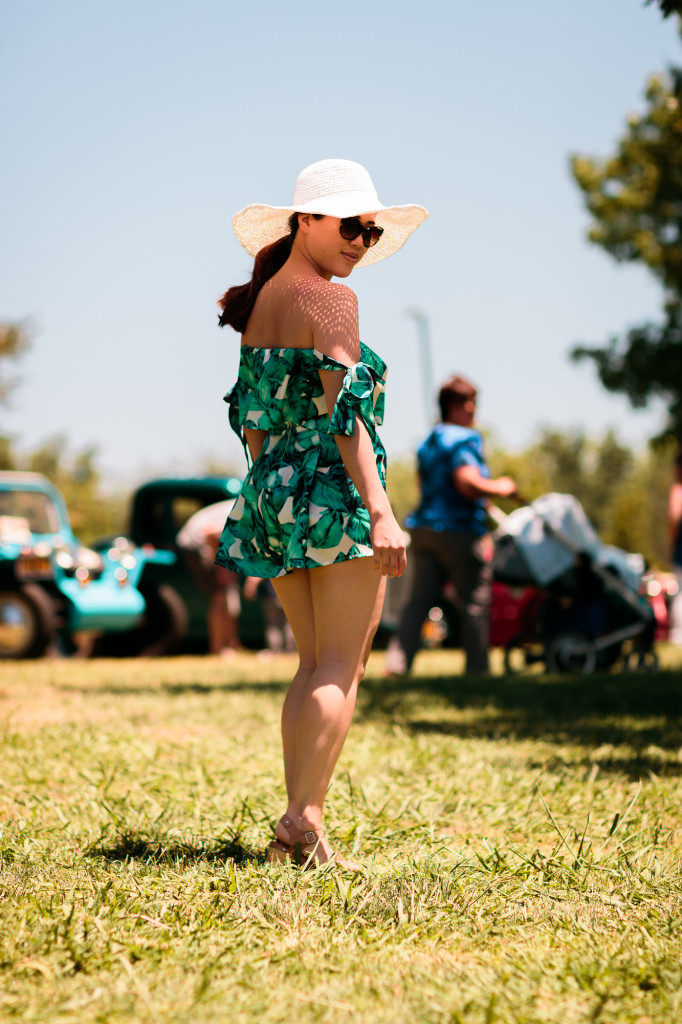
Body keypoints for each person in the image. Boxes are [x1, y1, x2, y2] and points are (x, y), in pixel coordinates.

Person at [214, 158, 428, 868]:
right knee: (342, 665)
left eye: (370, 231)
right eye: (350, 225)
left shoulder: (265, 297)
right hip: (332, 490)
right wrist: (381, 511)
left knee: (311, 664)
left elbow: (248, 419)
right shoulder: (331, 302)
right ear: (305, 220)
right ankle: (300, 824)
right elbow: (347, 416)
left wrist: (268, 489)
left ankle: (300, 828)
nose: (360, 241)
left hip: (271, 488)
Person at [385, 374, 516, 676]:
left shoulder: (429, 442)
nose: (473, 410)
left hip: (425, 528)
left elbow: (424, 484)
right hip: (458, 530)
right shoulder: (463, 438)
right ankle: (477, 670)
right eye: (469, 402)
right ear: (456, 406)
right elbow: (467, 483)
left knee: (418, 601)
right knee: (475, 603)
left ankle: (397, 664)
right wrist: (501, 487)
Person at [176, 500, 242, 657]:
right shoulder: (244, 508)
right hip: (194, 545)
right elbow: (210, 532)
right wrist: (220, 567)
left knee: (226, 593)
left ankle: (230, 644)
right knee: (219, 595)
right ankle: (218, 648)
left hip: (206, 545)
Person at [668, 448, 682, 645]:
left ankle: (679, 635)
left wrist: (671, 547)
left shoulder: (678, 491)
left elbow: (672, 520)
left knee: (680, 594)